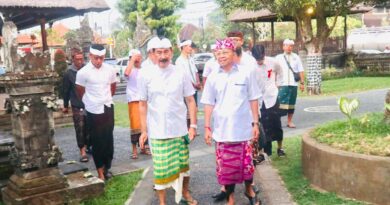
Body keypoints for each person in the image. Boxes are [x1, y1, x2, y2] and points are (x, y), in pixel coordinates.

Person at [138, 38, 198, 205]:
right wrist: (144, 131)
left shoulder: (180, 72)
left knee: (183, 167)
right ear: (153, 54)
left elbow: (191, 100)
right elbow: (142, 105)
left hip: (179, 129)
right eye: (159, 52)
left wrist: (193, 126)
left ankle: (185, 193)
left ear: (171, 52)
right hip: (157, 131)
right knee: (161, 171)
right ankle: (163, 203)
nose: (163, 56)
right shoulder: (145, 74)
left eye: (166, 52)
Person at [201, 38, 261, 205]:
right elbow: (208, 103)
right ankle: (231, 199)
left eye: (225, 52)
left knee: (247, 166)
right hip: (222, 132)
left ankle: (249, 190)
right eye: (218, 54)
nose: (221, 56)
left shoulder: (246, 72)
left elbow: (254, 98)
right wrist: (207, 127)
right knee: (226, 169)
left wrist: (255, 123)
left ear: (234, 54)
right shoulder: (212, 77)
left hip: (243, 131)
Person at [76, 44, 117, 181]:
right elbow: (80, 90)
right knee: (97, 141)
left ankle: (107, 168)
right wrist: (90, 102)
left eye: (101, 58)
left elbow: (113, 86)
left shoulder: (110, 70)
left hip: (107, 106)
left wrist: (106, 98)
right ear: (90, 56)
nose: (99, 61)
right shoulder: (83, 72)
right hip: (93, 110)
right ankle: (99, 171)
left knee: (108, 140)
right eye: (96, 58)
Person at [252, 45, 285, 157]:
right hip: (259, 101)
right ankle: (266, 152)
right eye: (257, 60)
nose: (259, 62)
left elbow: (281, 73)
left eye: (261, 59)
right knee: (263, 127)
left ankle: (280, 148)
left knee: (276, 124)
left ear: (264, 55)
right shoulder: (251, 67)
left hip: (272, 98)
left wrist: (278, 85)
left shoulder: (273, 62)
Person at [62, 49, 89, 163]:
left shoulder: (88, 70)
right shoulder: (69, 73)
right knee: (80, 127)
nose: (80, 61)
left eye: (81, 59)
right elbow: (66, 90)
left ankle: (88, 146)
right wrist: (65, 105)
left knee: (90, 127)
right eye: (77, 59)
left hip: (90, 103)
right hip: (77, 104)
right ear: (72, 59)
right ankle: (82, 151)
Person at [124, 49, 150, 159]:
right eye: (135, 57)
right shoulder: (130, 69)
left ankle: (144, 147)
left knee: (146, 123)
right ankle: (134, 149)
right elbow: (126, 73)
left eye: (139, 57)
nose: (138, 59)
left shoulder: (144, 69)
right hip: (133, 99)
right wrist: (132, 60)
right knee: (135, 125)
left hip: (144, 99)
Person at [275, 39, 305, 129]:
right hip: (282, 84)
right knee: (279, 104)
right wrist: (274, 82)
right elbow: (273, 71)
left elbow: (301, 70)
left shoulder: (296, 57)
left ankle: (289, 121)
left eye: (291, 46)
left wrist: (302, 83)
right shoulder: (278, 58)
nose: (289, 47)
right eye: (287, 45)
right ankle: (277, 122)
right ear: (283, 46)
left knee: (291, 104)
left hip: (293, 84)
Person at [175, 39, 202, 104]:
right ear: (184, 47)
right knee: (188, 110)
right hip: (186, 90)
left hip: (194, 89)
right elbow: (184, 77)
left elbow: (196, 72)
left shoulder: (191, 59)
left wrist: (198, 82)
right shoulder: (179, 61)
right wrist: (194, 85)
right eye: (189, 46)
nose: (191, 48)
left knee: (195, 108)